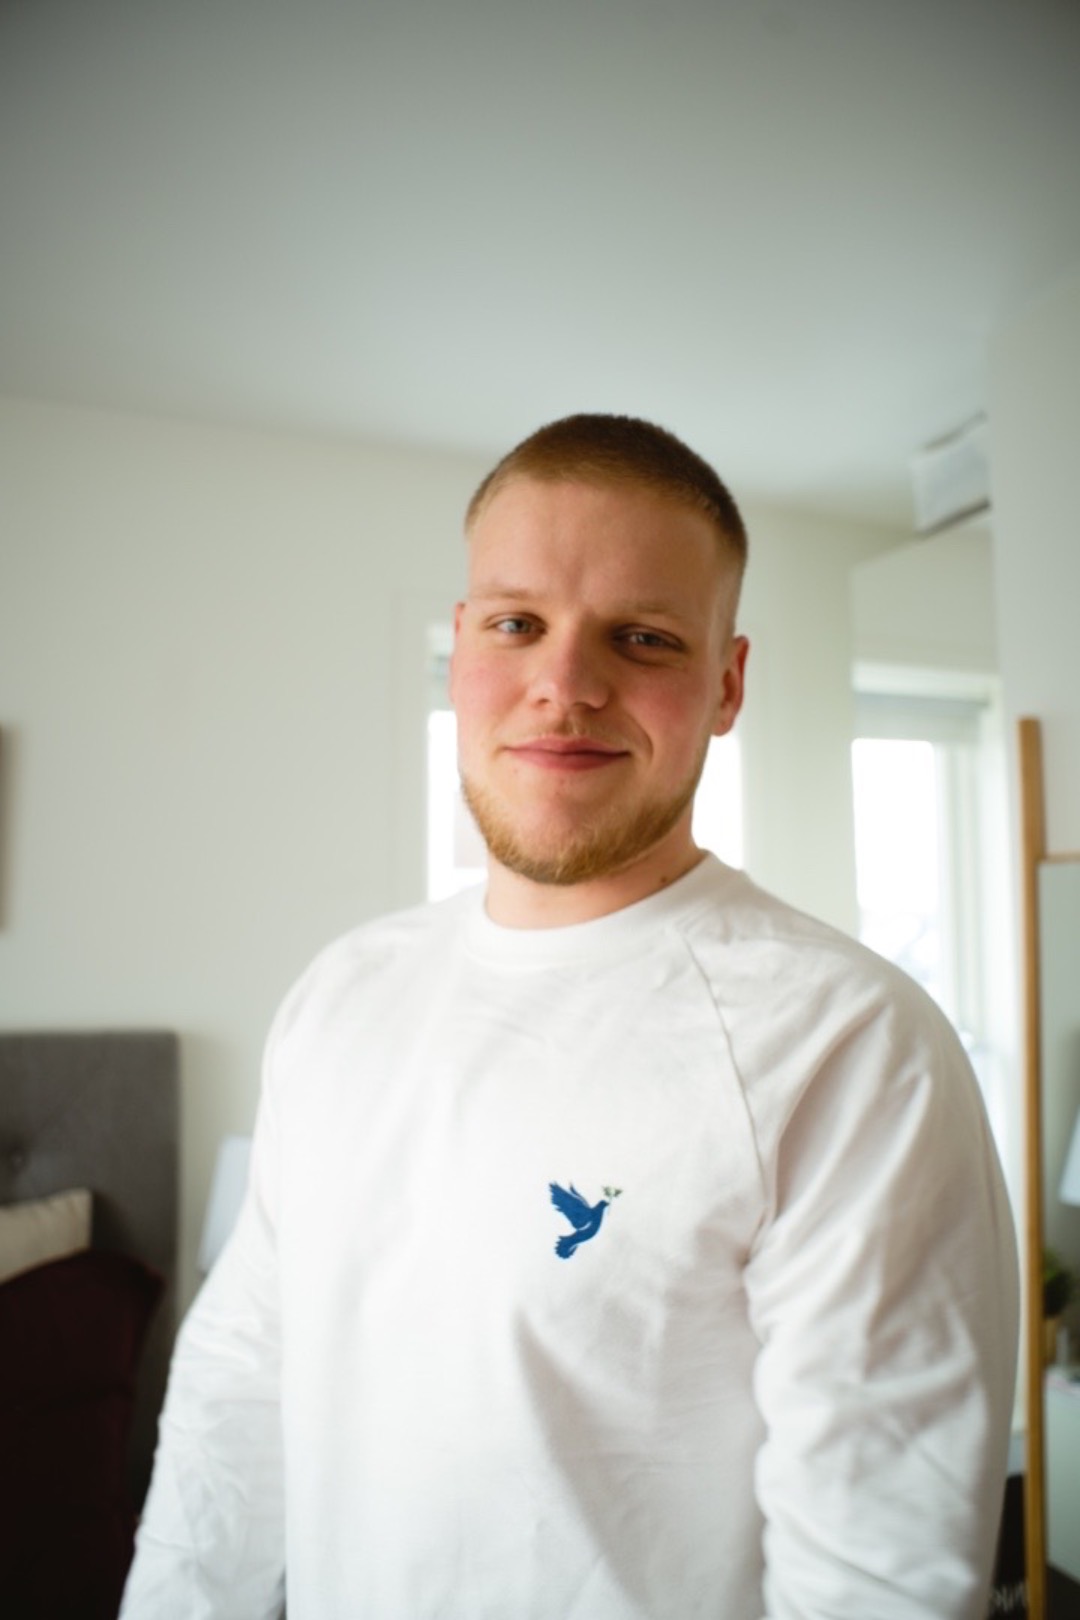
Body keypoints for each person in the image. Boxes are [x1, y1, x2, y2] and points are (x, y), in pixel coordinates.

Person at [122, 414, 1018, 1619]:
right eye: (517, 624)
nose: (566, 685)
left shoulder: (850, 1046)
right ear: (460, 646)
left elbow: (876, 1580)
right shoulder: (339, 996)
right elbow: (238, 1392)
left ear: (727, 684)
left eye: (642, 638)